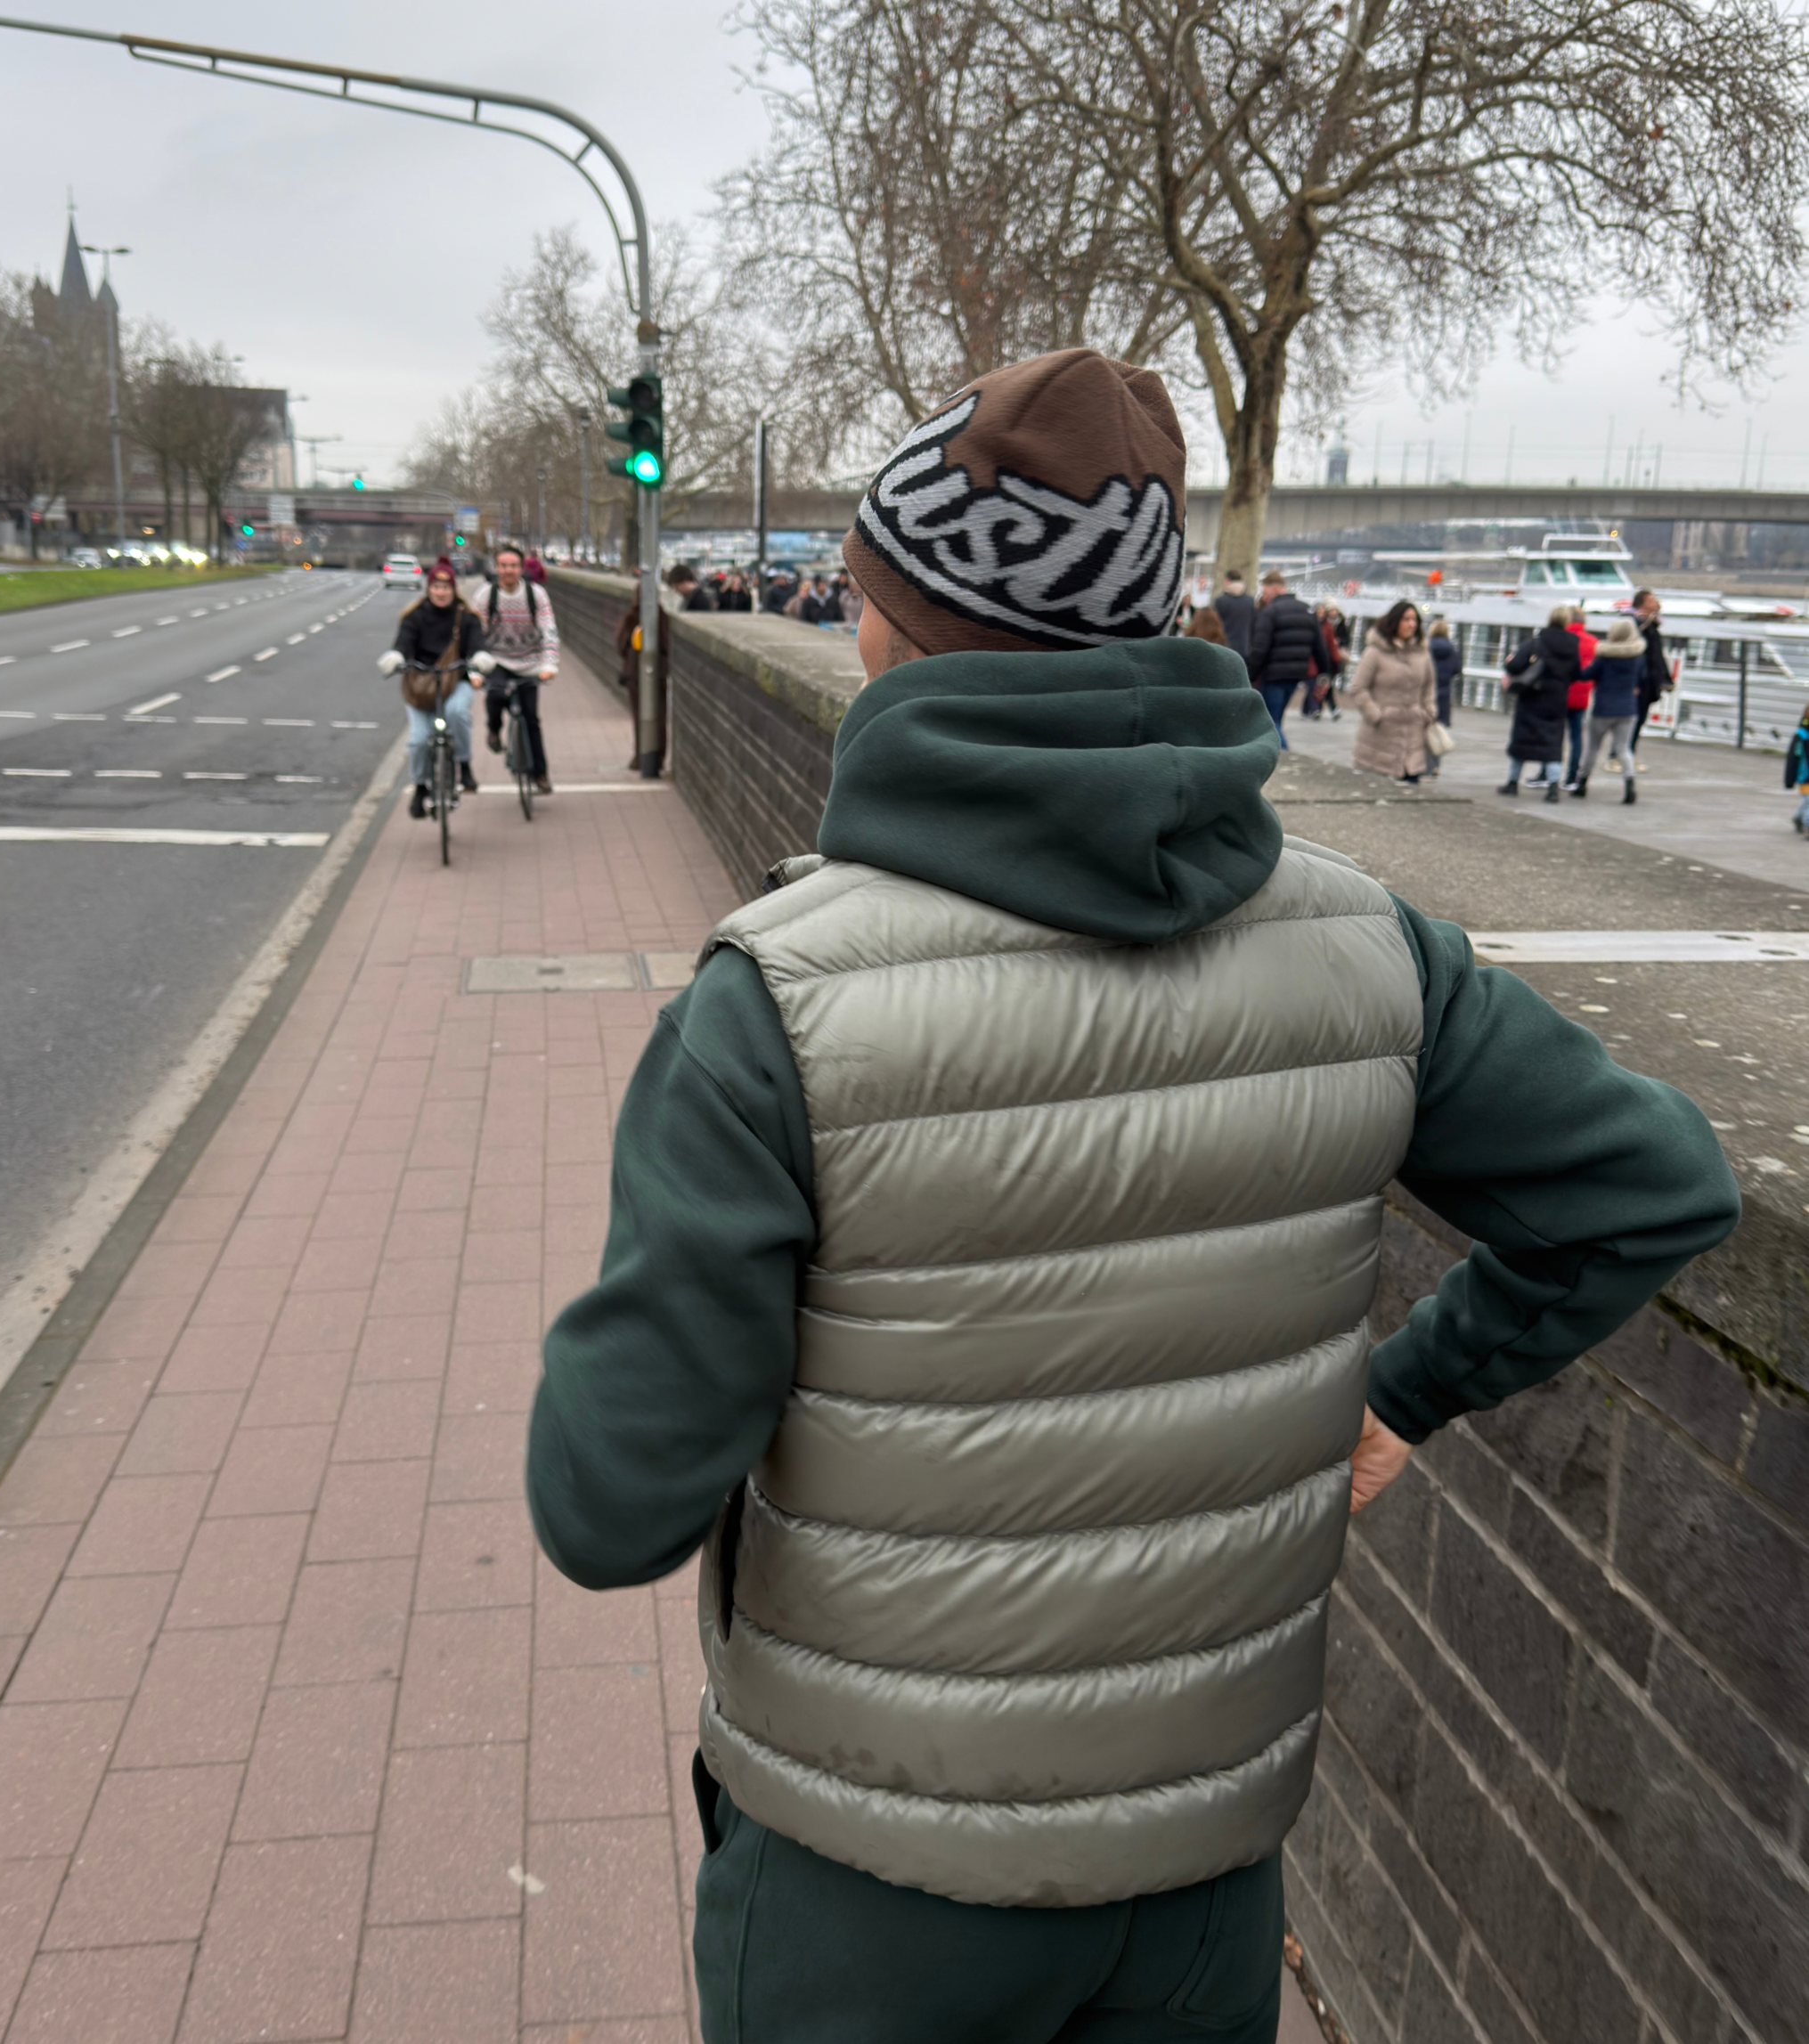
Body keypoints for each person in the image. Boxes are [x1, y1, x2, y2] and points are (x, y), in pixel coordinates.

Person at [526, 345, 1738, 2044]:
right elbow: (1656, 1186)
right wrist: (1401, 1395)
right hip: (1206, 1881)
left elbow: (606, 1506)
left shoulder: (775, 1007)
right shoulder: (1372, 946)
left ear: (890, 626)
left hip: (871, 1878)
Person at [381, 558, 481, 817]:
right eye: (436, 587)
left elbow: (476, 645)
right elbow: (403, 643)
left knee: (457, 713)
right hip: (420, 687)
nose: (441, 592)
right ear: (429, 589)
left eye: (446, 587)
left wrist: (479, 659)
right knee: (418, 741)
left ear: (454, 589)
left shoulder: (466, 617)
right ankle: (420, 786)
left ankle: (464, 765)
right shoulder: (415, 616)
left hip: (455, 681)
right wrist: (397, 658)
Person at [480, 542, 558, 794]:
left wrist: (549, 664)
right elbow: (475, 636)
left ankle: (540, 773)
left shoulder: (536, 595)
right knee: (495, 694)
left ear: (522, 568)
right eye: (503, 565)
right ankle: (494, 729)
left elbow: (549, 631)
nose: (508, 571)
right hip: (497, 660)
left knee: (531, 719)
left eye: (513, 566)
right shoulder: (485, 596)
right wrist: (475, 670)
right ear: (496, 567)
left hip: (529, 663)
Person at [1346, 599, 1438, 786]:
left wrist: (1428, 711)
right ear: (1395, 622)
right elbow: (1358, 688)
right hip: (1380, 737)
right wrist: (1376, 714)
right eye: (1406, 619)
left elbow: (1429, 686)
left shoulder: (1422, 654)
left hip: (1413, 737)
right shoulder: (1375, 652)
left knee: (1411, 791)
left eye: (1414, 620)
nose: (1412, 624)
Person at [1501, 606, 1581, 802]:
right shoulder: (1572, 646)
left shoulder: (1536, 642)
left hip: (1532, 699)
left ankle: (1512, 783)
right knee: (1553, 746)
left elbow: (1514, 665)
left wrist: (1508, 661)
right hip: (1557, 701)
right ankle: (1553, 789)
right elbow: (1577, 673)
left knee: (1522, 742)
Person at [1246, 570, 1332, 744]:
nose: (1263, 596)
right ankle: (1280, 751)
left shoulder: (1270, 612)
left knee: (1270, 722)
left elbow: (1260, 649)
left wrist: (1249, 675)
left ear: (1274, 588)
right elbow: (1320, 647)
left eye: (1264, 591)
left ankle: (1284, 753)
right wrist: (1325, 673)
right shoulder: (1307, 610)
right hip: (1297, 674)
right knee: (1276, 718)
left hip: (1273, 674)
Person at [1575, 614, 1647, 803]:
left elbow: (1586, 675)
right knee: (1623, 749)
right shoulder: (1638, 657)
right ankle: (1629, 785)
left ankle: (1582, 783)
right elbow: (1642, 678)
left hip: (1603, 708)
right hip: (1628, 709)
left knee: (1593, 747)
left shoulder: (1604, 656)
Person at [616, 571, 671, 775]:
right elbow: (667, 645)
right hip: (657, 674)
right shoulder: (662, 617)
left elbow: (620, 644)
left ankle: (641, 755)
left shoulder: (631, 617)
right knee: (659, 717)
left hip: (634, 675)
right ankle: (658, 756)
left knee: (640, 716)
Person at [1631, 590, 1670, 770]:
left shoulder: (1652, 625)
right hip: (1638, 681)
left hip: (1649, 681)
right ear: (1642, 604)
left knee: (1639, 719)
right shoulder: (1636, 624)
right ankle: (1620, 754)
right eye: (1651, 600)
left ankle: (1628, 753)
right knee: (1632, 720)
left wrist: (1665, 678)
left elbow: (1657, 656)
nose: (1656, 603)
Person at [1560, 609, 1599, 789]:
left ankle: (1548, 773)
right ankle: (1572, 776)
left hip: (1560, 693)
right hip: (1582, 695)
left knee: (1555, 735)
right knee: (1576, 737)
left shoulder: (1563, 639)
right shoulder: (1593, 641)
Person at [1427, 615, 1461, 773]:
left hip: (1426, 691)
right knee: (1438, 729)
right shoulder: (1452, 650)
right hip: (1444, 692)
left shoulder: (1425, 647)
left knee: (1424, 729)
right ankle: (1436, 765)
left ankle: (1425, 766)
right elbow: (1457, 669)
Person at [1212, 567, 1256, 657]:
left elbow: (1215, 625)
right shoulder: (1250, 601)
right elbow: (1254, 625)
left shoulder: (1220, 601)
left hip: (1224, 648)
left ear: (1227, 580)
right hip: (1245, 647)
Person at [1786, 704, 1809, 835]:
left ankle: (1798, 817)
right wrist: (1789, 780)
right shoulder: (1801, 734)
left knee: (1807, 802)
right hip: (1805, 774)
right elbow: (1792, 759)